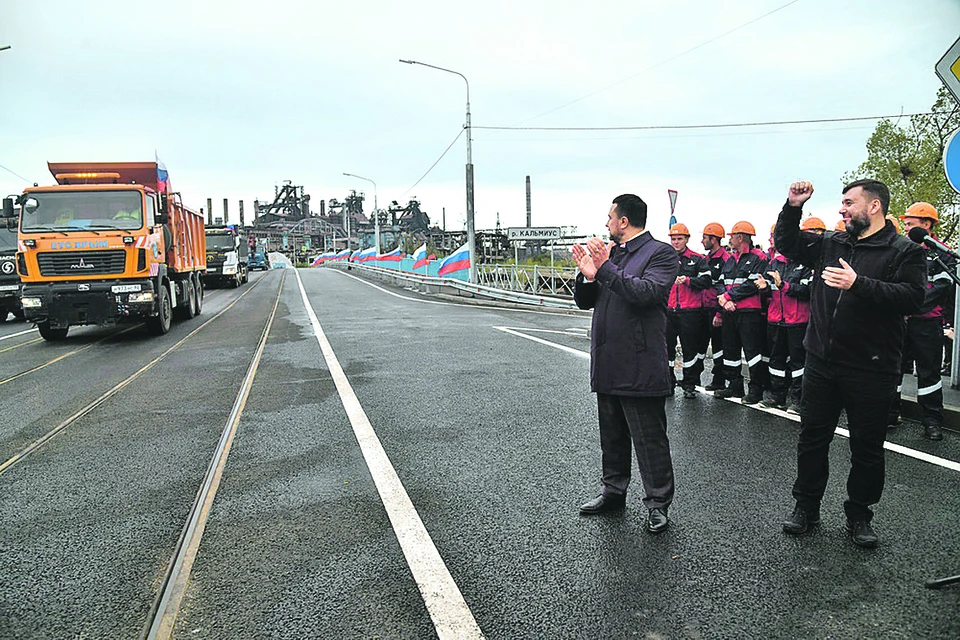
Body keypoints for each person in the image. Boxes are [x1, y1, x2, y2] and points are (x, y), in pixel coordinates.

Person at [776, 179, 926, 549]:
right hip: (822, 361)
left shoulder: (904, 250)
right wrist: (792, 206)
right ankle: (806, 507)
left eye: (848, 203)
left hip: (871, 367)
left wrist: (859, 283)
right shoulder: (832, 242)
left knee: (867, 446)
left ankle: (859, 514)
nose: (842, 209)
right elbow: (788, 244)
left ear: (873, 207)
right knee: (813, 438)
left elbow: (912, 298)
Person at [573, 194, 679, 534]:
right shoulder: (612, 256)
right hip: (607, 361)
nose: (606, 224)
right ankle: (613, 491)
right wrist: (589, 276)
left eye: (609, 217)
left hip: (640, 363)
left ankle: (658, 503)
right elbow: (583, 303)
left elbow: (646, 293)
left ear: (623, 221)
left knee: (649, 439)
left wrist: (605, 269)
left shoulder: (660, 253)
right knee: (613, 436)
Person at [889, 202, 956, 441]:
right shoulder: (899, 249)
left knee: (928, 374)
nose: (906, 228)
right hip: (900, 321)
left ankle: (931, 420)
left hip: (928, 322)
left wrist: (910, 306)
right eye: (905, 224)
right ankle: (890, 412)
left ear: (926, 224)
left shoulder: (943, 254)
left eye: (910, 224)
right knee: (893, 369)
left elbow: (942, 288)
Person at [756, 221, 815, 413]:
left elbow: (808, 291)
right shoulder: (773, 263)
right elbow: (766, 290)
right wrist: (764, 289)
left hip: (797, 321)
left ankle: (798, 400)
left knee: (798, 363)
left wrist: (784, 286)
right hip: (775, 320)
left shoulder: (806, 263)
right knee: (776, 361)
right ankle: (777, 396)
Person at [715, 221, 769, 404]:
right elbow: (720, 282)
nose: (729, 239)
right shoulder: (731, 259)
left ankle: (756, 389)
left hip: (749, 312)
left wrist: (728, 297)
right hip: (729, 311)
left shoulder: (759, 258)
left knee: (752, 351)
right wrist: (723, 300)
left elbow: (752, 285)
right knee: (730, 350)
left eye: (731, 236)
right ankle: (735, 386)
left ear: (740, 237)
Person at [666, 223, 713, 397]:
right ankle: (668, 382)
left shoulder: (698, 259)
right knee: (667, 349)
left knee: (689, 350)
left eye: (679, 239)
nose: (676, 242)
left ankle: (689, 384)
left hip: (690, 312)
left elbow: (707, 282)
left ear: (686, 239)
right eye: (673, 239)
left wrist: (687, 280)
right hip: (669, 311)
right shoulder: (665, 258)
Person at [701, 223, 732, 391]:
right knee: (703, 345)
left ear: (713, 239)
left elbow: (724, 287)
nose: (702, 241)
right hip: (705, 308)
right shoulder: (706, 260)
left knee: (720, 346)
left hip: (717, 309)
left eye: (705, 238)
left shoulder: (726, 259)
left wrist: (719, 313)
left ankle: (719, 379)